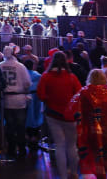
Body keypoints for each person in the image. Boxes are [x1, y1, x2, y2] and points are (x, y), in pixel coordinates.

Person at [37, 51, 81, 179]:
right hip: (70, 116)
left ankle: (62, 176)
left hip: (53, 115)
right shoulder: (72, 77)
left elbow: (41, 95)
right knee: (72, 145)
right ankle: (73, 173)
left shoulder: (46, 76)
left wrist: (50, 99)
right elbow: (79, 94)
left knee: (59, 145)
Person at [0, 45, 32, 156]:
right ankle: (22, 149)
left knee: (9, 125)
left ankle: (11, 149)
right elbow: (27, 83)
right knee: (20, 126)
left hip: (6, 99)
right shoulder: (20, 66)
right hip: (19, 100)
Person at [23, 60, 43, 147]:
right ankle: (34, 136)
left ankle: (26, 135)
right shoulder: (38, 75)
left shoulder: (23, 74)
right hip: (36, 98)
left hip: (24, 97)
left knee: (26, 116)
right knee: (36, 116)